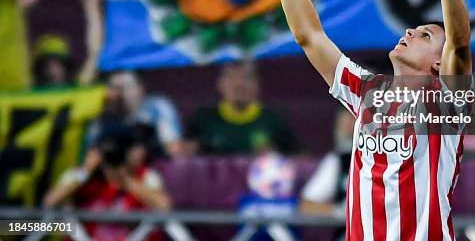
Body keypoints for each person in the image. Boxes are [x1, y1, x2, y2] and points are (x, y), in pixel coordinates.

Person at [256, 0, 472, 240]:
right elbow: (310, 36)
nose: (409, 32)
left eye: (424, 35)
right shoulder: (365, 90)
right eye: (412, 29)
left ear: (437, 62)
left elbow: (459, 42)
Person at [43, 124, 171, 241]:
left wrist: (126, 180)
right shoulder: (79, 176)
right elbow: (50, 202)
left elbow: (165, 206)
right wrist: (86, 172)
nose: (111, 159)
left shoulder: (145, 176)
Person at [187, 60, 298, 155]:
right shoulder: (202, 119)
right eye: (231, 77)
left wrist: (275, 156)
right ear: (220, 84)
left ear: (257, 84)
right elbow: (181, 155)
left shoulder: (274, 120)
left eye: (247, 78)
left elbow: (301, 158)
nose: (239, 84)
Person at [16, 0, 104, 88]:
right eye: (46, 63)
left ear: (66, 66)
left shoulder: (78, 87)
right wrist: (18, 9)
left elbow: (95, 54)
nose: (52, 69)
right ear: (38, 68)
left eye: (58, 63)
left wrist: (92, 6)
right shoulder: (27, 87)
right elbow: (11, 45)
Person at [88, 71, 184, 158]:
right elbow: (91, 153)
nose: (120, 94)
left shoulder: (157, 108)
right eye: (114, 88)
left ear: (140, 88)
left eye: (125, 88)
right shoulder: (100, 114)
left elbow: (174, 149)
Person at [300, 109, 354, 240]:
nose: (347, 125)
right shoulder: (338, 160)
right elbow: (306, 205)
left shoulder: (400, 158)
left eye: (352, 120)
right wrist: (342, 212)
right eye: (343, 122)